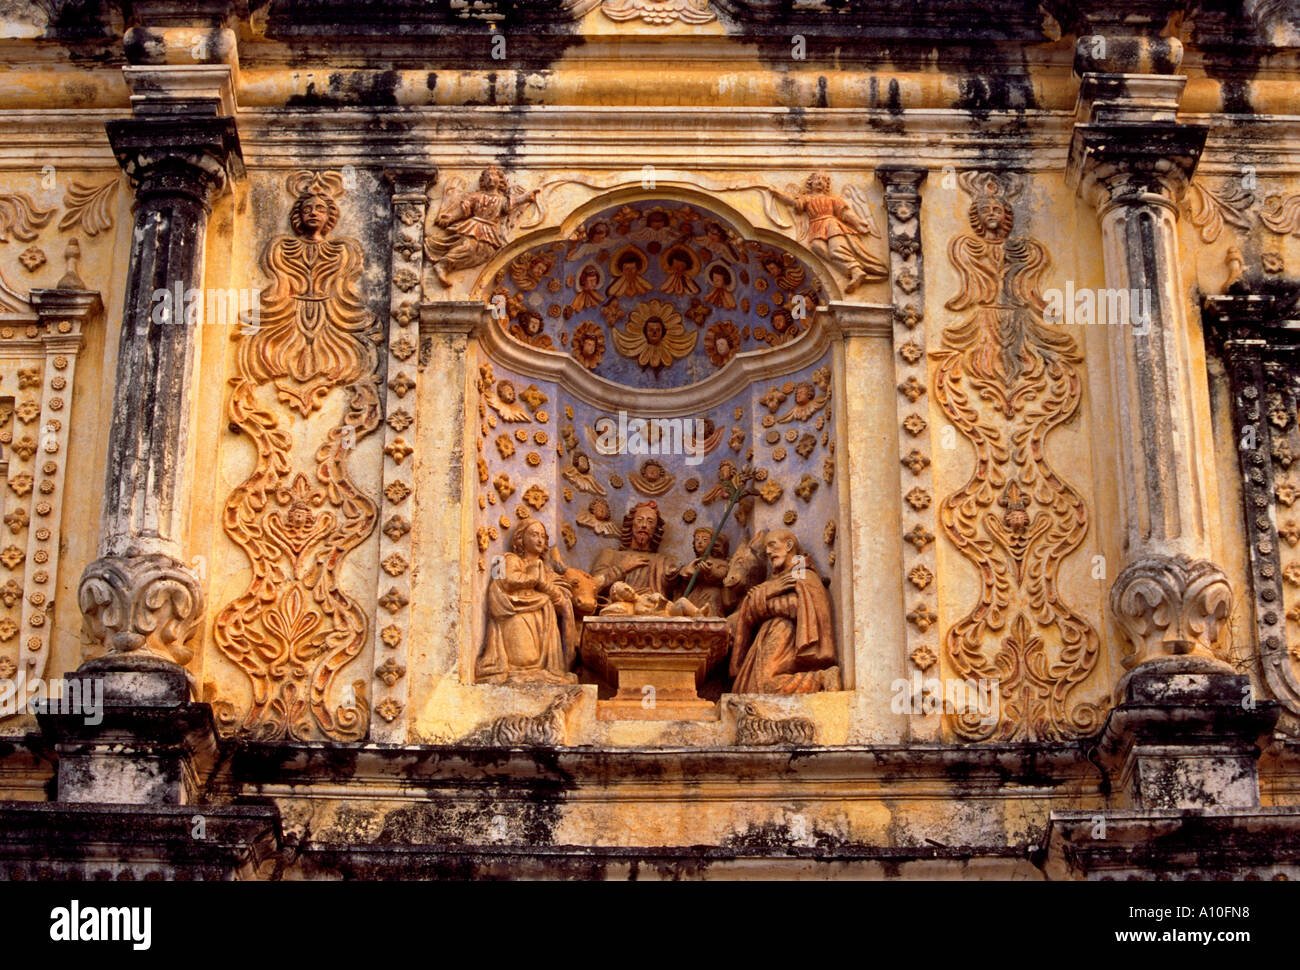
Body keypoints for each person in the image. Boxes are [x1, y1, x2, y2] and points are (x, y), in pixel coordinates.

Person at [729, 529, 840, 694]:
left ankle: (822, 678)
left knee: (766, 685)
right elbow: (750, 605)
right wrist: (771, 590)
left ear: (788, 545)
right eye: (766, 548)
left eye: (773, 546)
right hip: (767, 634)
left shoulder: (803, 575)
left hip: (785, 632)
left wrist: (767, 599)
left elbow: (799, 607)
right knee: (745, 689)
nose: (768, 552)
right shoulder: (776, 580)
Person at [476, 520, 578, 685]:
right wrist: (532, 578)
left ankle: (544, 672)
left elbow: (563, 602)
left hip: (542, 623)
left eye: (542, 536)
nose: (539, 540)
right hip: (514, 614)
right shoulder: (502, 558)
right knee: (524, 658)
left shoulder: (547, 571)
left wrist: (544, 585)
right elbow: (500, 579)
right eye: (534, 534)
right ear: (520, 538)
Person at [590, 501, 678, 599]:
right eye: (639, 520)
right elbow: (593, 586)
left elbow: (676, 587)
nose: (644, 525)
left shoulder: (662, 562)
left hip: (651, 609)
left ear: (655, 529)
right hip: (617, 609)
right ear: (631, 524)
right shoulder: (610, 555)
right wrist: (622, 568)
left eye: (650, 522)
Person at [676, 529, 732, 616]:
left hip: (711, 594)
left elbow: (722, 575)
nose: (700, 542)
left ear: (712, 544)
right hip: (695, 595)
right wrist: (688, 572)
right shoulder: (694, 563)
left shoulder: (720, 563)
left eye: (704, 539)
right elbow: (683, 582)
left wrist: (710, 571)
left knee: (711, 603)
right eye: (697, 539)